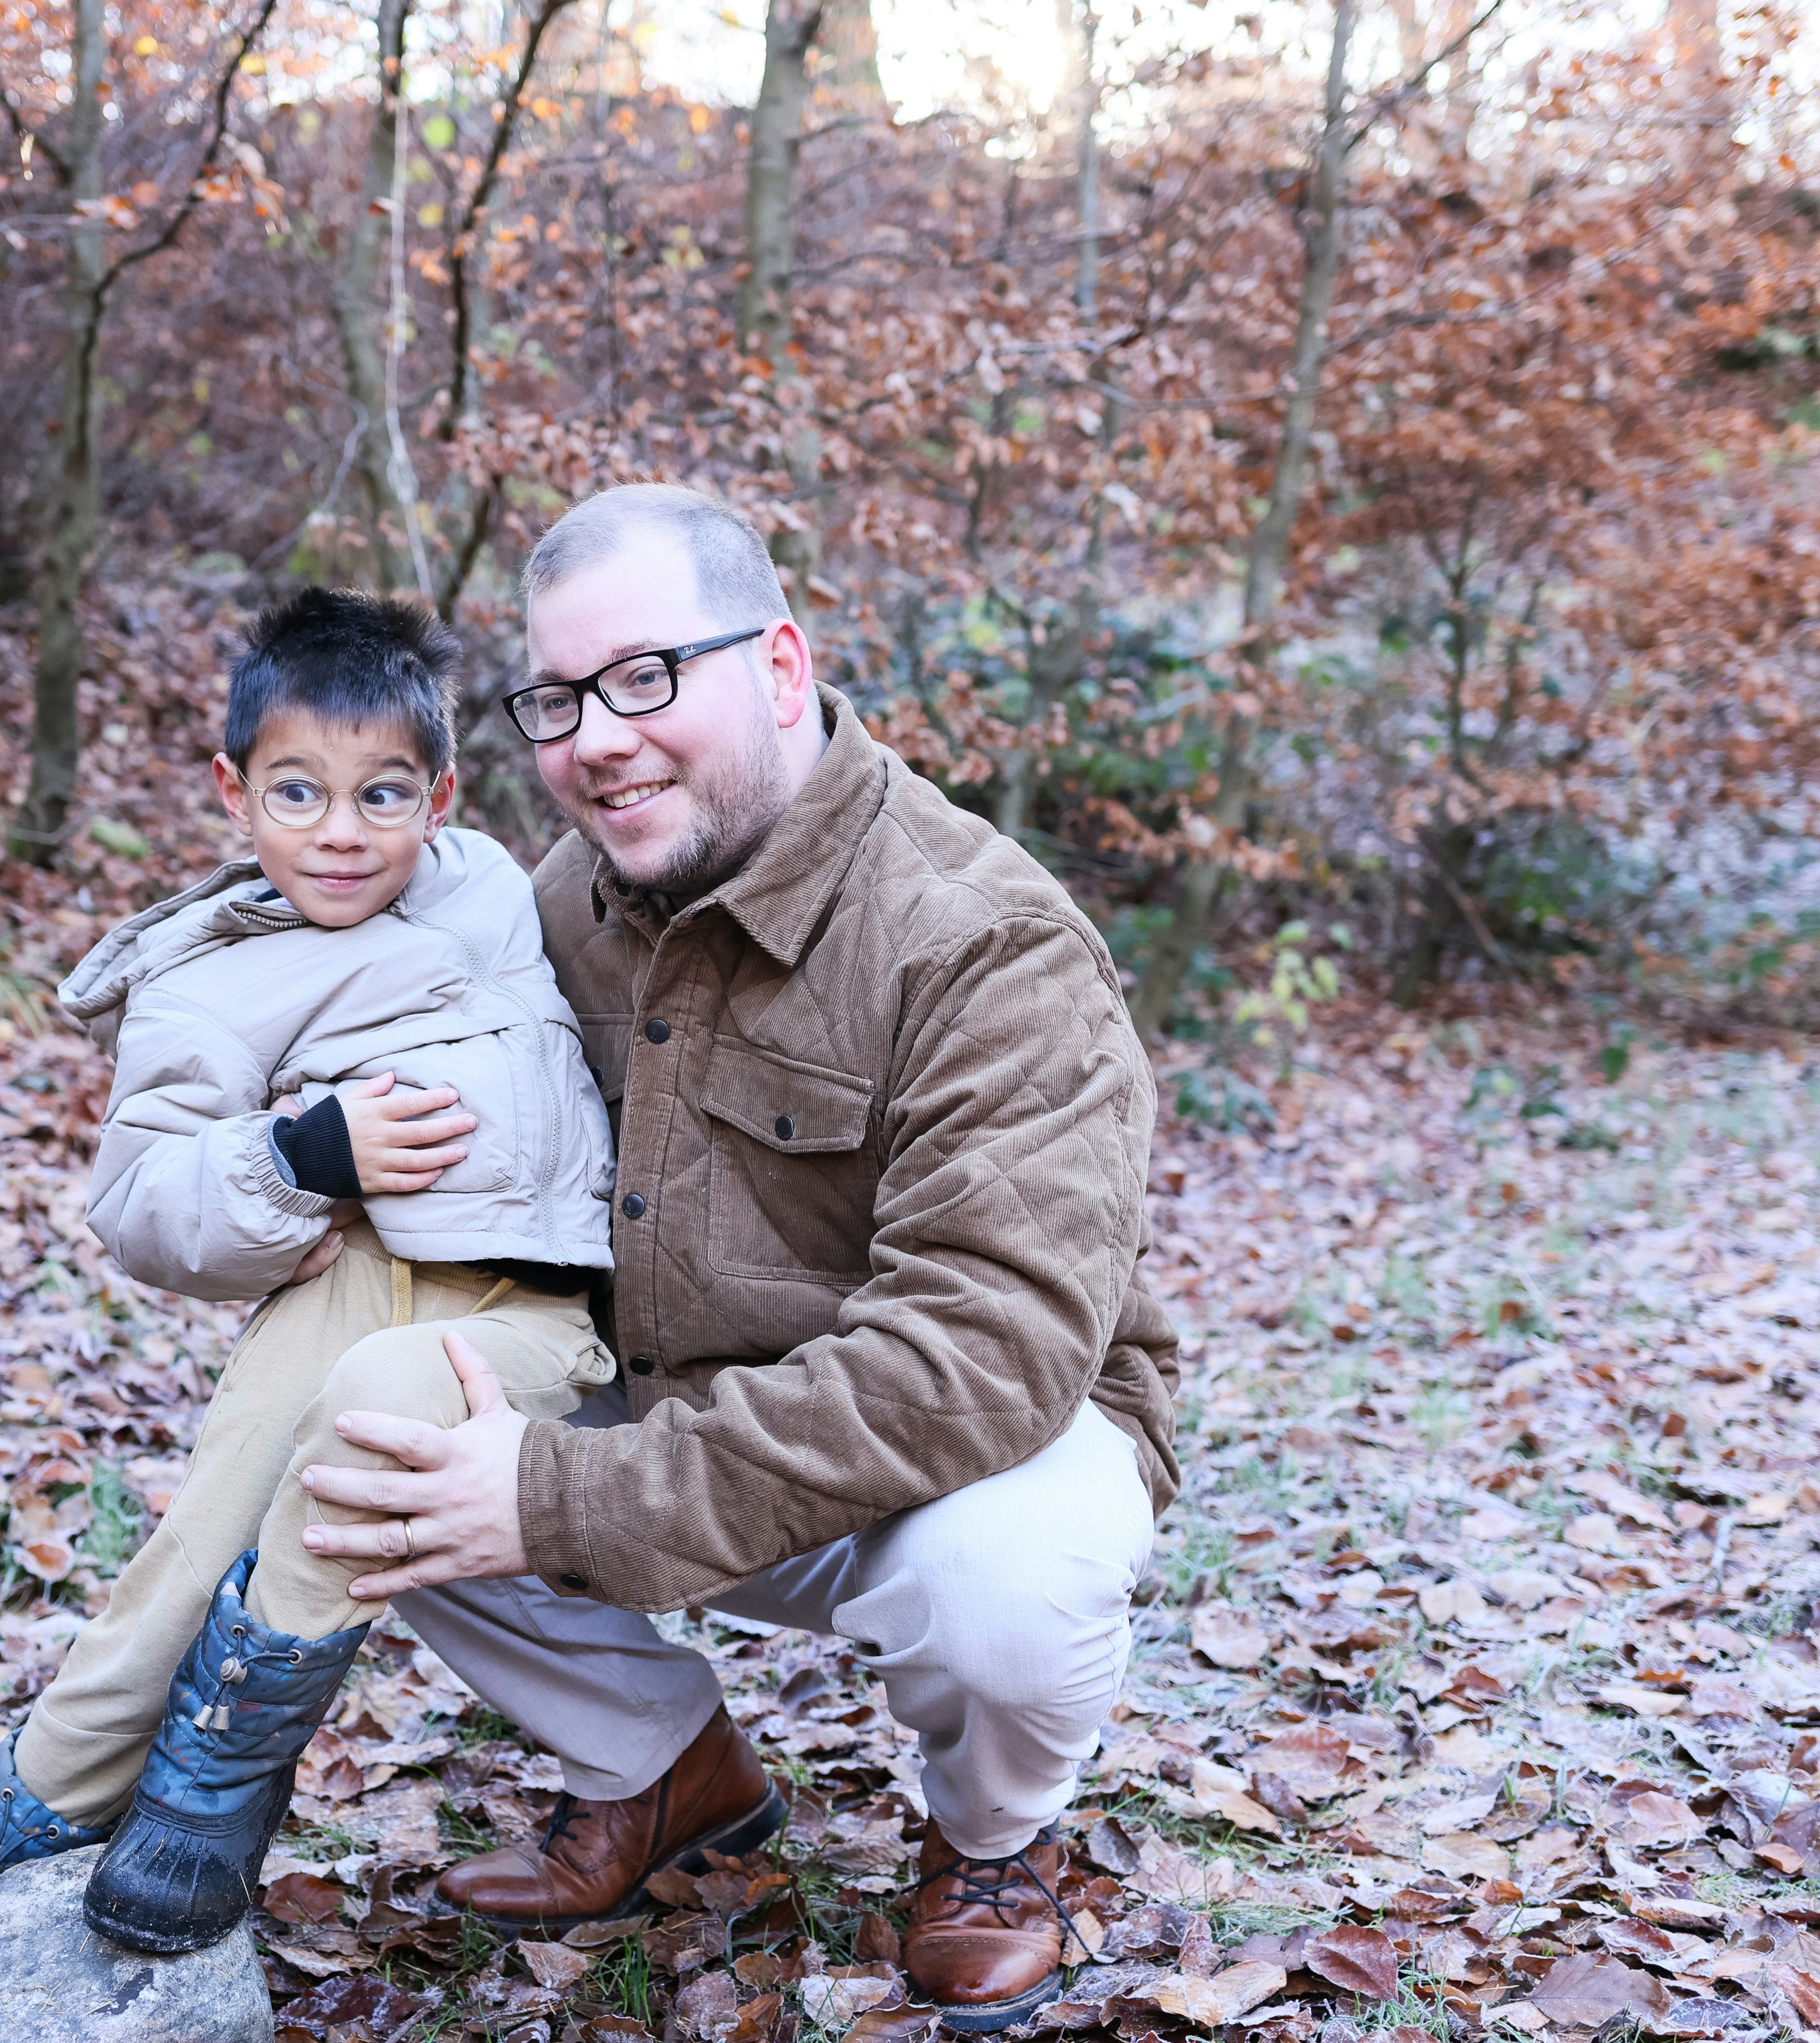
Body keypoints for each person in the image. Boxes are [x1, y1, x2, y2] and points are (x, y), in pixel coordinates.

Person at [288, 484, 1184, 2032]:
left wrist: (562, 1496)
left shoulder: (985, 941)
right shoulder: (560, 904)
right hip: (664, 1401)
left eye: (649, 677)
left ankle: (991, 1845)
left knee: (1006, 1586)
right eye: (559, 699)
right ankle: (662, 1770)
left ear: (779, 668)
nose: (599, 738)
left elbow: (979, 1362)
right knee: (365, 1434)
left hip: (966, 1456)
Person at [0, 589, 643, 2026]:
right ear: (232, 793)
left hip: (529, 1305)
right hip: (352, 1273)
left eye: (382, 796)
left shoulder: (497, 885)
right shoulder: (201, 975)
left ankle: (212, 1790)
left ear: (438, 800)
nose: (340, 831)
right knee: (186, 1562)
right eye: (298, 792)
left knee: (370, 1432)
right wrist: (304, 1154)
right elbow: (141, 1201)